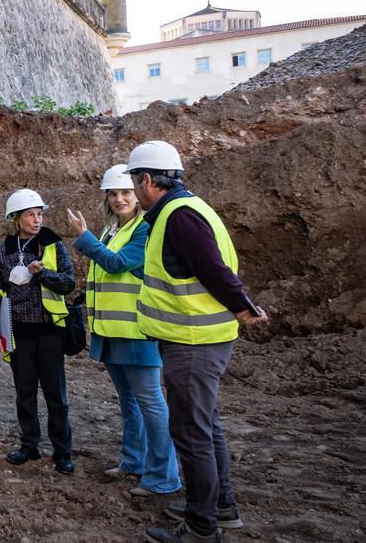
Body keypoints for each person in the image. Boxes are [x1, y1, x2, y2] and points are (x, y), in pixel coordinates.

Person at [125, 141, 268, 543]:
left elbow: (212, 267)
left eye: (135, 182)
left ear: (148, 179)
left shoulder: (178, 216)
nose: (134, 191)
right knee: (205, 427)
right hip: (198, 339)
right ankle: (220, 507)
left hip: (193, 342)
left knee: (191, 434)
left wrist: (244, 306)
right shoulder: (186, 209)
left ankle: (202, 527)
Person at [66, 165, 182, 498]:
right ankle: (133, 462)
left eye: (126, 193)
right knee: (129, 402)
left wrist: (84, 238)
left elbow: (117, 264)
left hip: (136, 332)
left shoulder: (144, 230)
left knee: (151, 404)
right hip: (111, 332)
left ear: (138, 194)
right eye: (113, 194)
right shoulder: (111, 231)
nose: (119, 199)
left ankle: (164, 477)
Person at [0, 189, 77, 475]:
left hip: (49, 332)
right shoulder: (1, 252)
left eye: (40, 214)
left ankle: (63, 451)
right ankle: (29, 445)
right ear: (16, 218)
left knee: (55, 395)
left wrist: (41, 274)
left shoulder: (52, 245)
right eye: (30, 215)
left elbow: (68, 283)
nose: (37, 220)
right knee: (24, 393)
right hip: (18, 334)